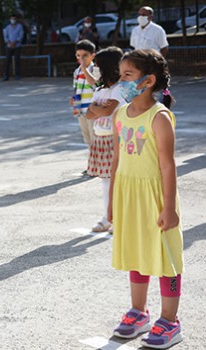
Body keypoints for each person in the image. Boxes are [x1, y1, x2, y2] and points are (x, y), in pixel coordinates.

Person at [110, 49, 183, 349]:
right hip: (128, 194)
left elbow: (168, 165)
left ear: (148, 80)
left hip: (155, 196)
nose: (121, 81)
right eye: (121, 75)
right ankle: (139, 312)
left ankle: (170, 321)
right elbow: (116, 160)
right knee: (136, 252)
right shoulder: (119, 114)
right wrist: (111, 201)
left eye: (128, 75)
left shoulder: (159, 117)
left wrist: (169, 207)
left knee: (166, 257)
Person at [84, 46, 125, 233]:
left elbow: (107, 110)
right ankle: (108, 217)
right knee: (105, 181)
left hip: (114, 139)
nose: (95, 69)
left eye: (98, 65)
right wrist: (98, 108)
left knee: (117, 180)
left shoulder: (119, 89)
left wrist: (97, 107)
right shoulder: (100, 89)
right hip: (100, 138)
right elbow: (89, 114)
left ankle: (117, 218)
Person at [71, 40, 101, 174]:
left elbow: (95, 85)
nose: (81, 59)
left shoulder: (96, 69)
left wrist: (85, 69)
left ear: (92, 56)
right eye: (78, 56)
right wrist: (74, 100)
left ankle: (98, 166)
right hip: (80, 108)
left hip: (92, 109)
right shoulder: (76, 71)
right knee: (87, 138)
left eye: (84, 56)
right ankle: (92, 165)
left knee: (95, 138)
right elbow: (76, 88)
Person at [3, 14, 24, 81]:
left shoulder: (19, 27)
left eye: (14, 19)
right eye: (12, 19)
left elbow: (20, 36)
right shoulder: (7, 27)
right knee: (7, 61)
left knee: (17, 60)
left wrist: (15, 42)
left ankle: (17, 75)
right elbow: (5, 37)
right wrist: (9, 43)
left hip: (17, 46)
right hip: (9, 46)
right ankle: (6, 75)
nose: (13, 20)